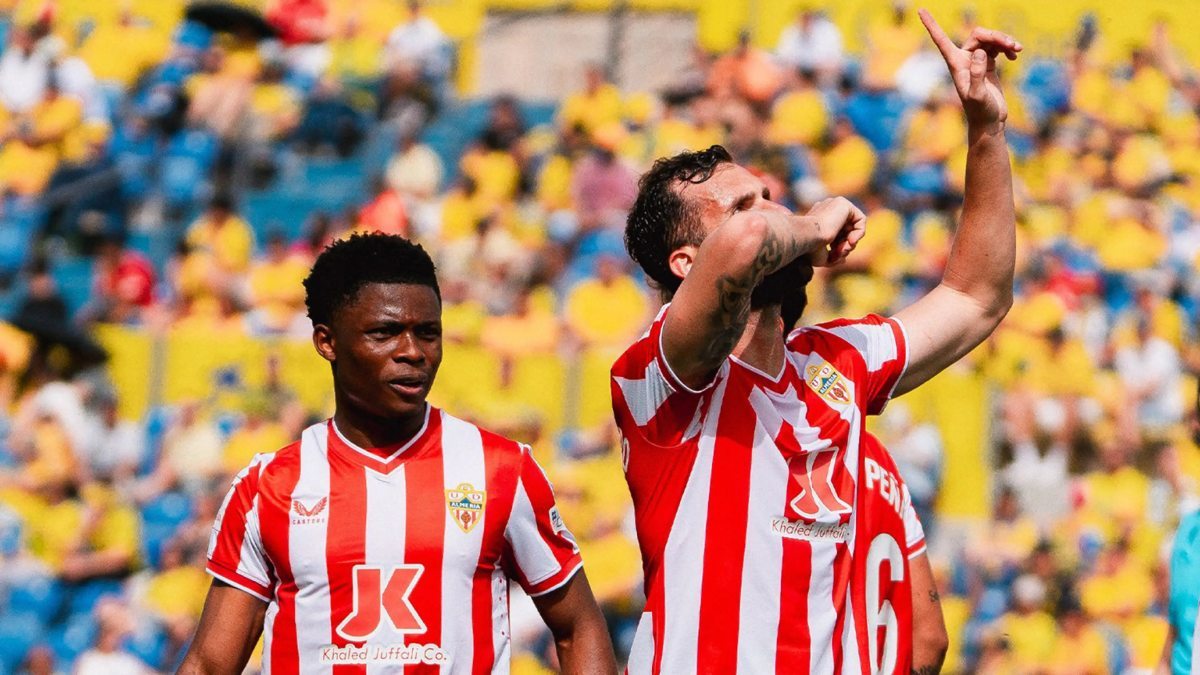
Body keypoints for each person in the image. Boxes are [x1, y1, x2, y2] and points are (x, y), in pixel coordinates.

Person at [611, 10, 1019, 673]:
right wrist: (813, 222)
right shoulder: (664, 373)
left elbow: (978, 296)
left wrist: (985, 129)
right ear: (685, 263)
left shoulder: (837, 363)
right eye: (745, 204)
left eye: (769, 195)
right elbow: (744, 250)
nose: (772, 209)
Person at [179, 233, 615, 673]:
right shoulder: (269, 486)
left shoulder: (501, 470)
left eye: (427, 333)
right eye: (385, 333)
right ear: (327, 342)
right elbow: (211, 663)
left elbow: (577, 626)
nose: (412, 352)